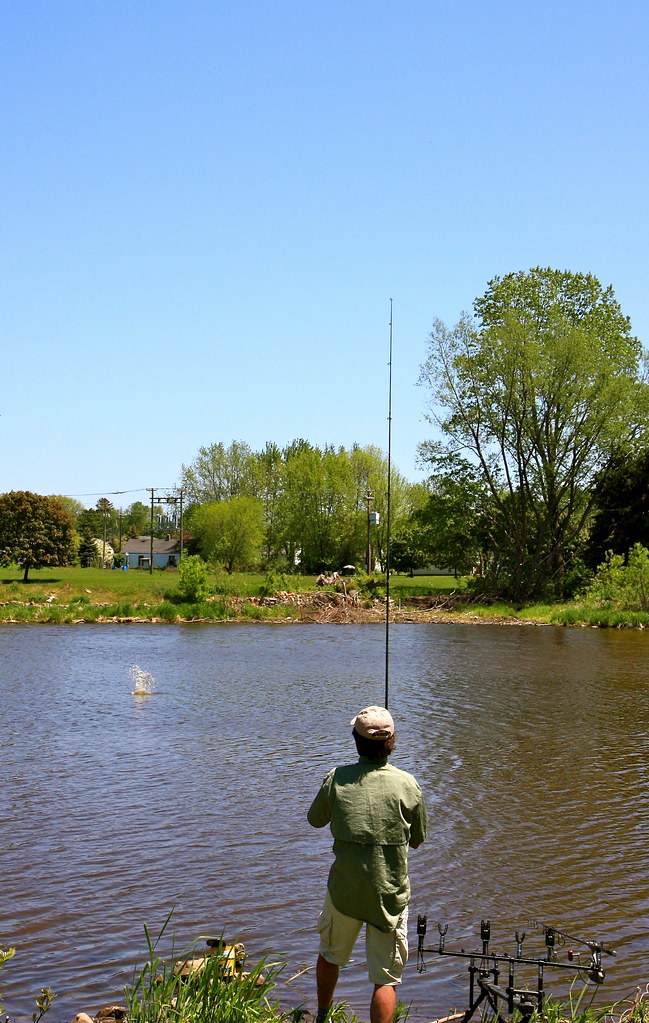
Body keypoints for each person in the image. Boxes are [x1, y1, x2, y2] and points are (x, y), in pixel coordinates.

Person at [307, 705, 427, 1023]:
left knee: (330, 956)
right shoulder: (408, 784)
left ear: (356, 741)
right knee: (385, 978)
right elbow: (417, 840)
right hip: (389, 893)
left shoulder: (337, 778)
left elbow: (315, 820)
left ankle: (321, 1016)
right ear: (391, 742)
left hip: (344, 890)